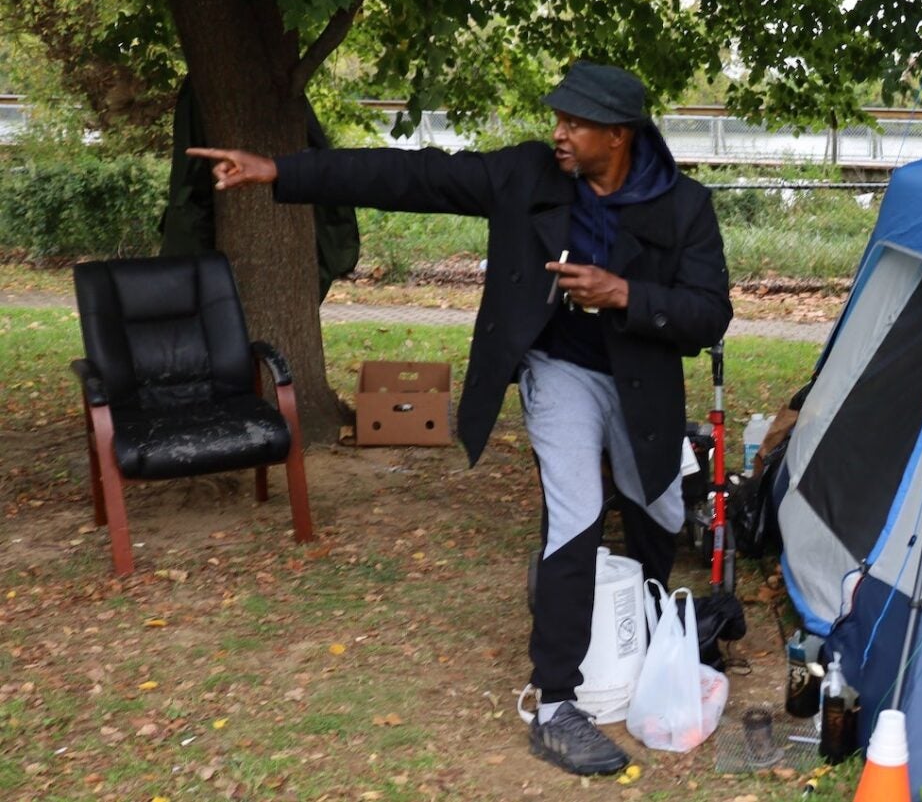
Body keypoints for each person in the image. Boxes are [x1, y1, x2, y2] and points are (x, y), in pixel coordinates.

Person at [188, 62, 733, 776]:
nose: (558, 133)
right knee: (574, 513)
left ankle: (654, 639)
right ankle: (556, 703)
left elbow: (710, 311)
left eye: (575, 124)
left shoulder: (684, 206)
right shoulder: (527, 174)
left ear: (620, 135)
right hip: (558, 369)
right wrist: (280, 173)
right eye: (558, 118)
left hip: (642, 379)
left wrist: (625, 292)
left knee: (658, 507)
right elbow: (411, 178)